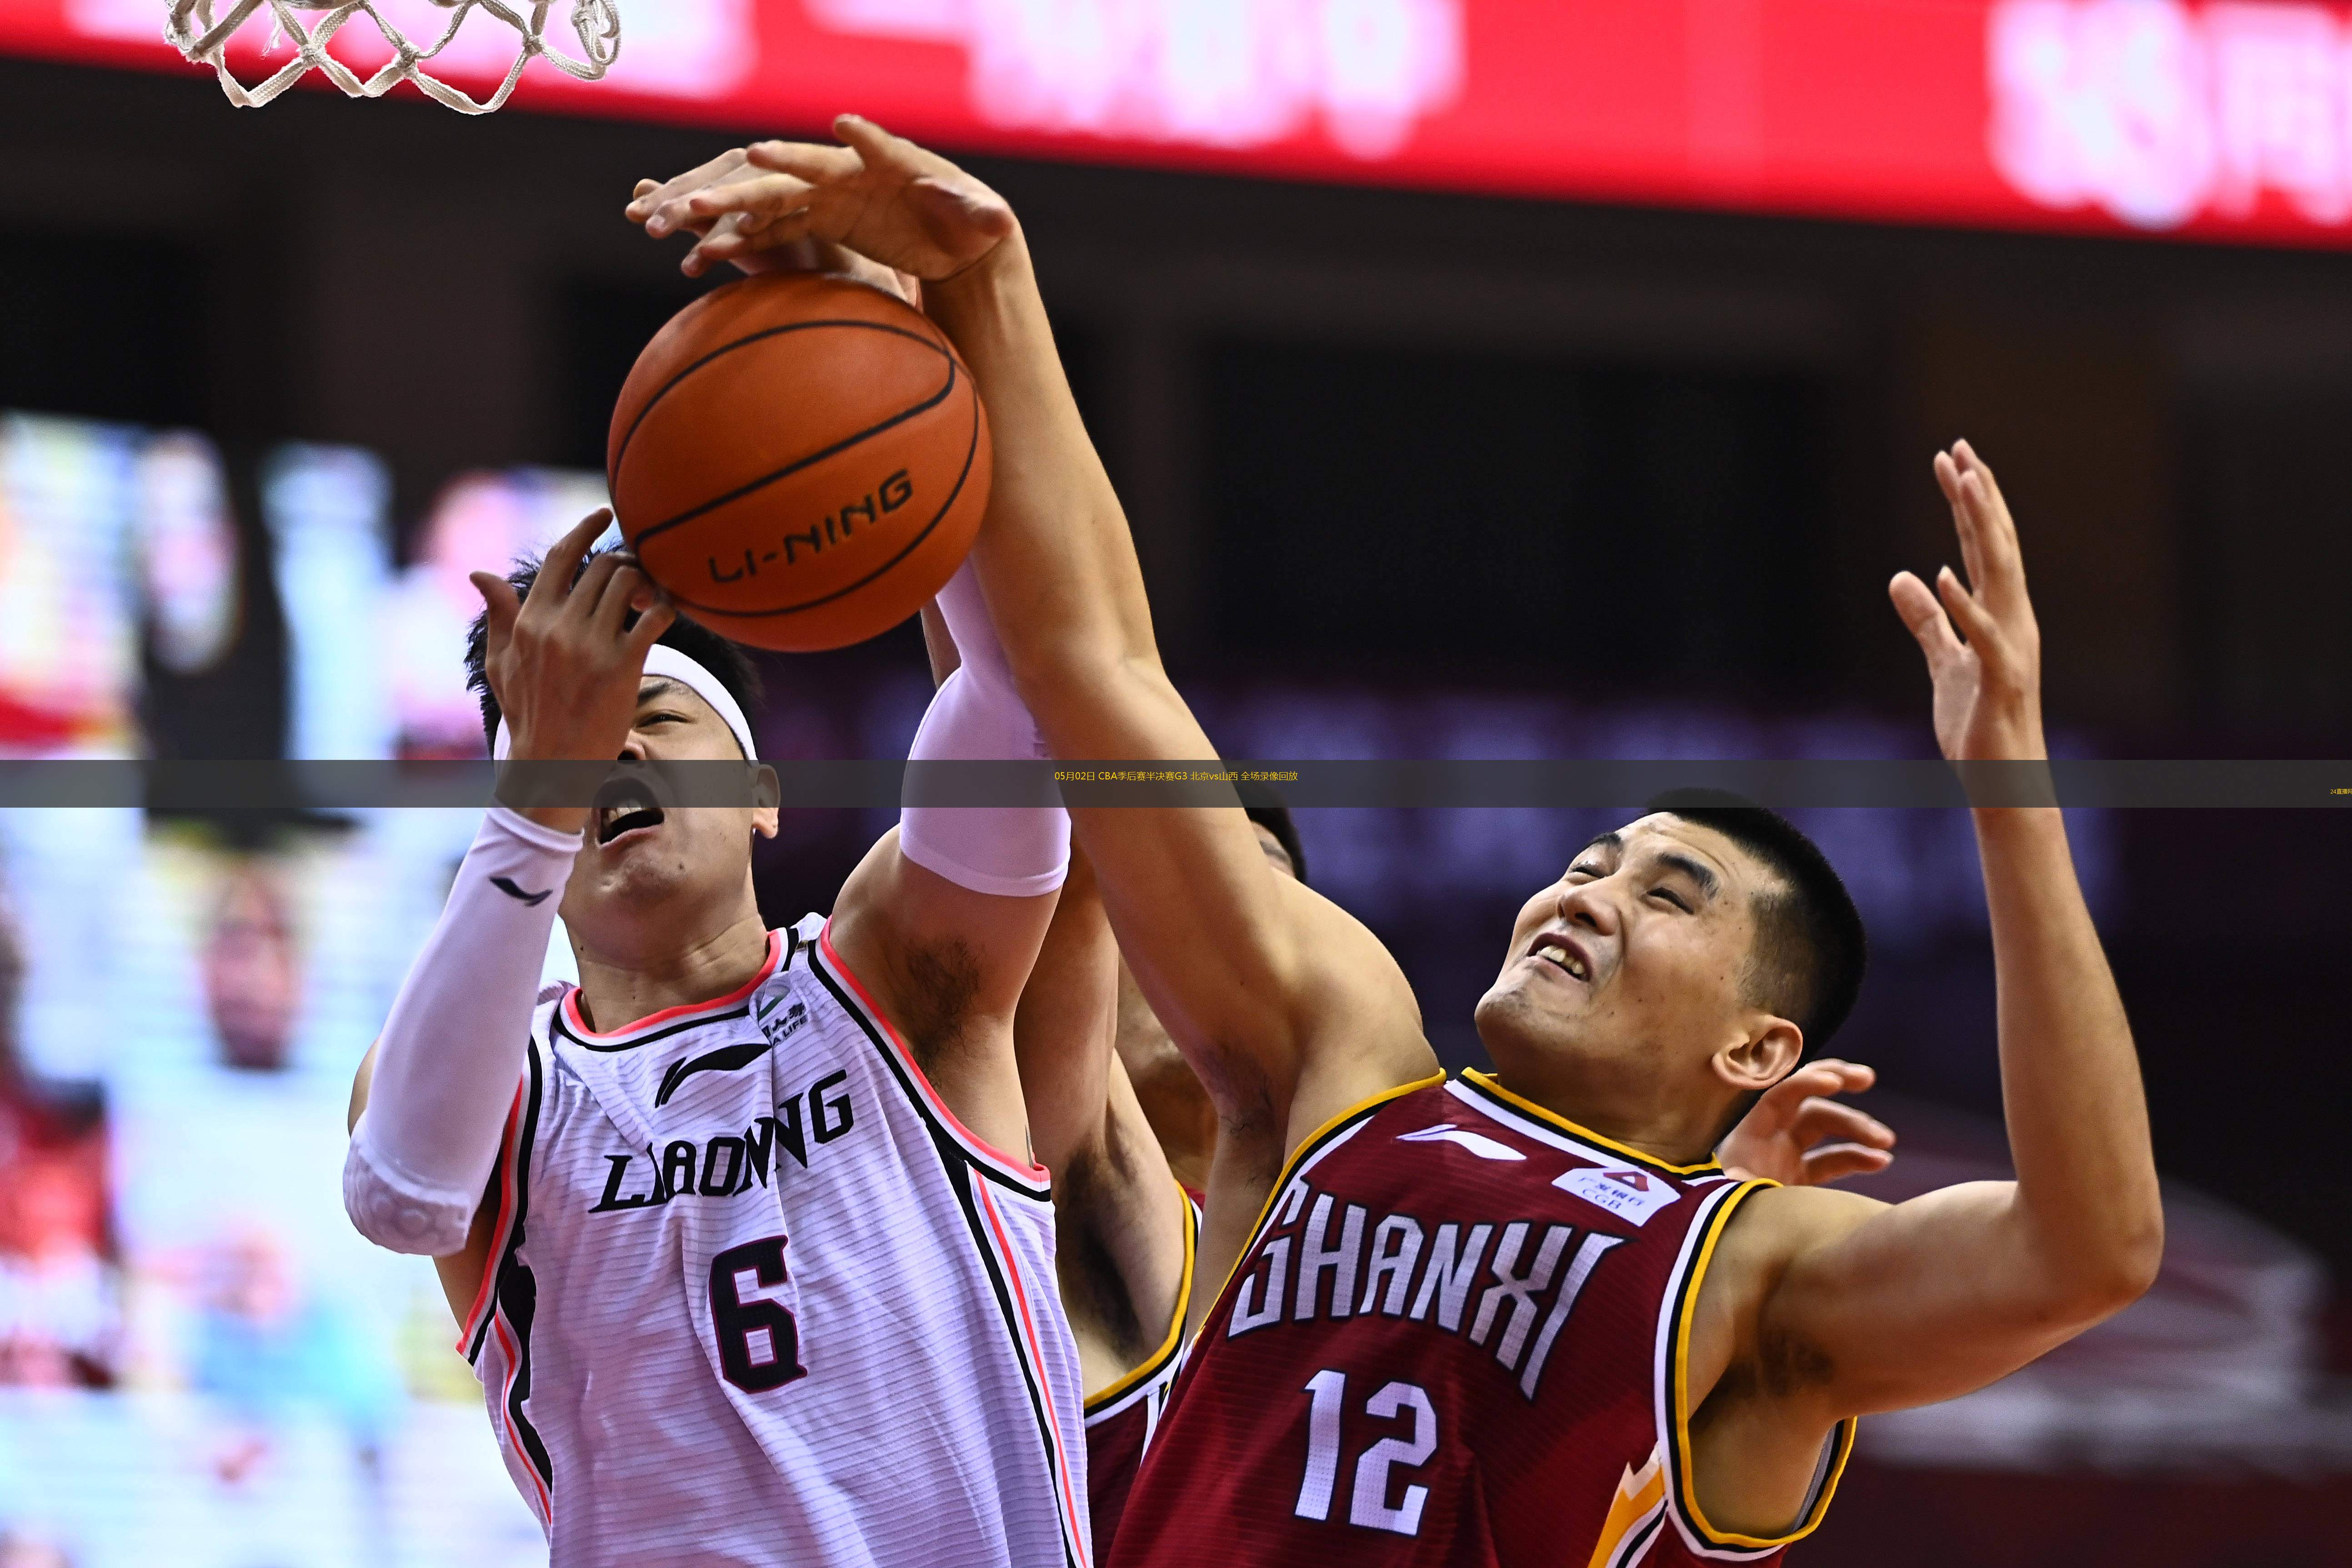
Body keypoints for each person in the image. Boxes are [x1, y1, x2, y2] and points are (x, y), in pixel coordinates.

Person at [631, 118, 2162, 1566]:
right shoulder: (1340, 1060)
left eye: (1669, 887)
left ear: (1759, 1044)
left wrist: (2006, 790)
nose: (1590, 885)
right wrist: (988, 277)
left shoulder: (1748, 1272)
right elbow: (1095, 673)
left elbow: (2094, 1246)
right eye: (1598, 855)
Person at [340, 489, 1093, 1562]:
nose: (617, 754)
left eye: (652, 716)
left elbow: (1017, 698)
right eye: (579, 745)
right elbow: (401, 1195)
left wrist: (933, 416)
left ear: (760, 792)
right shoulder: (504, 1085)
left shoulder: (892, 970)